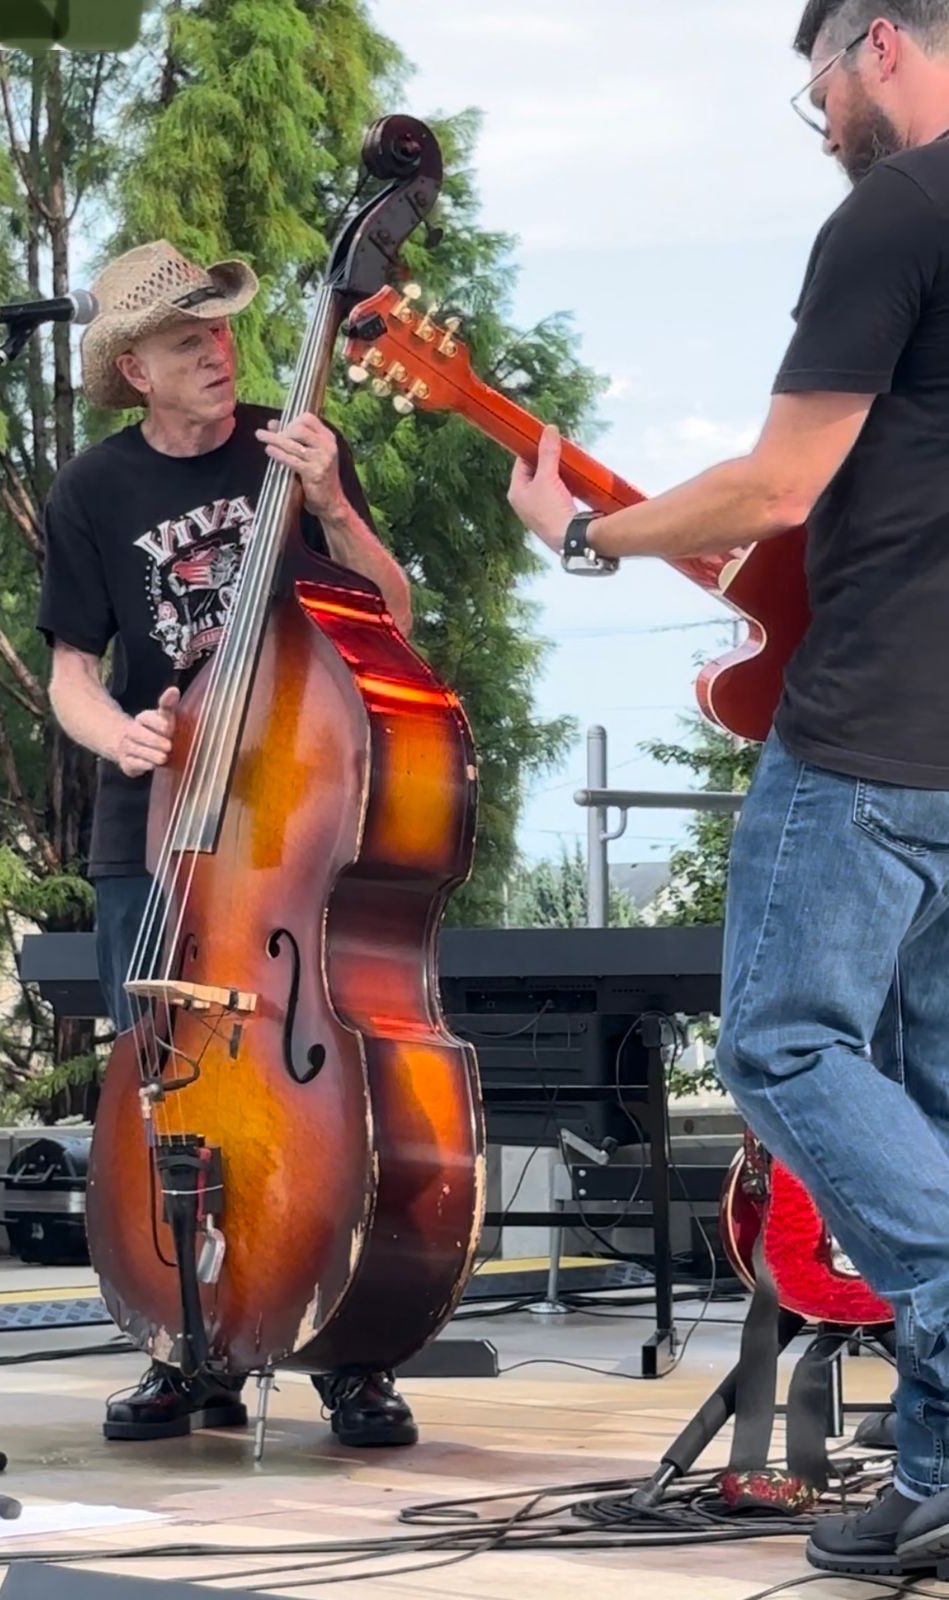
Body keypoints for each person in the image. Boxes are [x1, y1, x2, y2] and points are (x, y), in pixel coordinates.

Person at [507, 0, 949, 1579]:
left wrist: (582, 533)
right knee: (929, 1088)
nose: (819, 115)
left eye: (815, 82)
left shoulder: (897, 210)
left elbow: (777, 480)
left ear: (877, 43)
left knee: (778, 1043)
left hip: (872, 730)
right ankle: (939, 1473)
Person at [36, 238, 418, 1451]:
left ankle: (346, 1348)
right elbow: (72, 672)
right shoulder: (91, 491)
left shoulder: (290, 445)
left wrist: (330, 504)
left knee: (334, 1090)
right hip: (159, 823)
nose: (217, 350)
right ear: (134, 369)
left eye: (219, 328)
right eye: (185, 339)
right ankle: (184, 1344)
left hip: (296, 812)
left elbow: (393, 617)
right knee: (166, 1090)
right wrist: (121, 737)